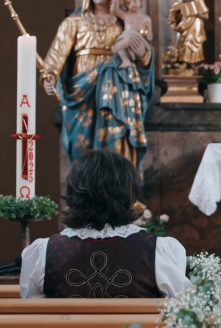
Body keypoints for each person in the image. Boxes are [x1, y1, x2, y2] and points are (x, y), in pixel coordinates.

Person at [19, 150, 188, 299]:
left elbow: (32, 306)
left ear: (74, 193)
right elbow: (183, 306)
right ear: (129, 194)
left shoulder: (45, 253)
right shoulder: (157, 251)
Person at [41, 0, 154, 166]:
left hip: (119, 94)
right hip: (83, 94)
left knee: (118, 150)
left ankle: (118, 184)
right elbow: (56, 57)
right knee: (83, 155)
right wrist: (49, 77)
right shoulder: (74, 22)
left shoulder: (125, 20)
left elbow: (145, 56)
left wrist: (143, 53)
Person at [110, 0, 152, 69]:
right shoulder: (126, 15)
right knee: (123, 41)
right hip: (126, 40)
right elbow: (115, 11)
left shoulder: (146, 18)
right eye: (128, 3)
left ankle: (117, 47)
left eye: (135, 1)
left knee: (126, 38)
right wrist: (115, 1)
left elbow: (150, 35)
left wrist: (147, 35)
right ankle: (126, 60)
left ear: (141, 2)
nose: (132, 4)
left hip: (138, 40)